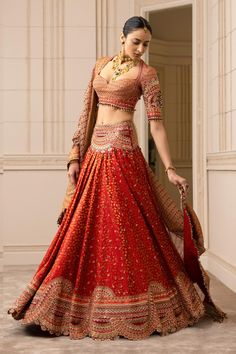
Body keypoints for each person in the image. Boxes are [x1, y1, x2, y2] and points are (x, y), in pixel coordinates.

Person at [8, 16, 226, 341]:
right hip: (95, 154)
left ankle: (135, 305)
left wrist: (169, 168)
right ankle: (73, 303)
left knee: (125, 228)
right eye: (136, 41)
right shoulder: (100, 65)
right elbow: (87, 111)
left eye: (146, 44)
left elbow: (157, 125)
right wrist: (74, 156)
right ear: (122, 38)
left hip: (124, 153)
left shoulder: (147, 74)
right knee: (86, 227)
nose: (141, 49)